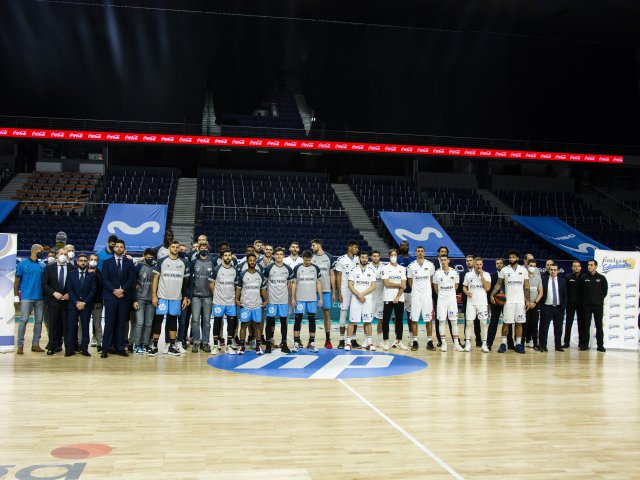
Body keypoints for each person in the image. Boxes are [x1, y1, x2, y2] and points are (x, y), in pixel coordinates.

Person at [150, 240, 190, 356]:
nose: (175, 249)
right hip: (162, 296)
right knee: (158, 320)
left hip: (176, 297)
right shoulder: (162, 261)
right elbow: (156, 278)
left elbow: (185, 282)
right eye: (173, 247)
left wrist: (185, 297)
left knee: (173, 321)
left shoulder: (183, 263)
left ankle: (172, 345)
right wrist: (154, 295)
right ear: (169, 249)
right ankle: (154, 345)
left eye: (177, 247)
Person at [100, 239, 136, 358]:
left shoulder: (129, 262)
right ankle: (105, 348)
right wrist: (114, 291)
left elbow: (132, 279)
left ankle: (120, 348)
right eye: (117, 246)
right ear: (114, 248)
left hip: (124, 297)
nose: (119, 248)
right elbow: (104, 279)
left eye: (121, 247)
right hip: (111, 296)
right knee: (109, 323)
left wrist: (122, 290)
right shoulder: (107, 262)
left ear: (124, 249)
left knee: (121, 324)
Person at [490, 249, 529, 354]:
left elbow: (526, 286)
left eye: (513, 257)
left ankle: (519, 344)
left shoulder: (523, 270)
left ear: (517, 258)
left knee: (519, 323)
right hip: (508, 301)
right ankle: (503, 344)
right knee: (506, 323)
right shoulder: (504, 270)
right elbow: (498, 284)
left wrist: (528, 300)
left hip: (520, 302)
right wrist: (492, 294)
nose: (511, 259)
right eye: (510, 257)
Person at [41, 248, 74, 355]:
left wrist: (70, 293)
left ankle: (68, 348)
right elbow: (45, 284)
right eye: (61, 253)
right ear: (56, 255)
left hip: (67, 302)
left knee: (67, 327)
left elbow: (75, 284)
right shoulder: (49, 268)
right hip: (53, 301)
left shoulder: (72, 268)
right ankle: (52, 346)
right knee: (53, 326)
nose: (63, 255)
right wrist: (54, 293)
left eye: (65, 254)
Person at [14, 243, 46, 354]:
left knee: (39, 322)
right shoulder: (22, 265)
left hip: (40, 298)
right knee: (23, 321)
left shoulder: (43, 265)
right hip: (26, 297)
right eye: (41, 251)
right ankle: (20, 345)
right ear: (35, 251)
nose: (43, 253)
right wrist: (16, 297)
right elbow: (17, 281)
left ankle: (35, 344)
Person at [291, 250, 323, 354]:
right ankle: (296, 343)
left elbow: (318, 283)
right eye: (306, 259)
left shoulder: (315, 268)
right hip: (300, 299)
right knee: (298, 320)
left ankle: (312, 343)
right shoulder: (297, 268)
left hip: (312, 299)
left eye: (309, 260)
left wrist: (321, 298)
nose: (308, 261)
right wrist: (292, 298)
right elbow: (294, 284)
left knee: (312, 320)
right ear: (303, 258)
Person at [235, 253, 267, 355]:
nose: (252, 262)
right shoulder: (242, 274)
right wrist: (236, 299)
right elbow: (239, 288)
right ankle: (242, 346)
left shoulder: (260, 275)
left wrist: (266, 299)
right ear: (247, 261)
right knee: (244, 325)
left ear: (255, 262)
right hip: (245, 304)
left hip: (257, 304)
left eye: (254, 260)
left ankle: (258, 346)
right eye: (250, 260)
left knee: (257, 325)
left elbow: (263, 290)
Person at [263, 247, 293, 353]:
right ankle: (268, 345)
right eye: (277, 254)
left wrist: (292, 297)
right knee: (270, 322)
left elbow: (290, 284)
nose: (279, 256)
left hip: (283, 300)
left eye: (281, 254)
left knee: (283, 322)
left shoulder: (288, 269)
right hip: (271, 300)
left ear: (284, 256)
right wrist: (266, 298)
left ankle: (284, 344)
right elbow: (264, 284)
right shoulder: (268, 268)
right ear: (274, 255)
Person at [66, 254, 96, 357]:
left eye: (84, 261)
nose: (82, 262)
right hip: (73, 305)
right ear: (77, 262)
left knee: (85, 327)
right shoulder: (71, 274)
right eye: (80, 261)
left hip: (86, 305)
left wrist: (84, 302)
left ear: (87, 262)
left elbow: (93, 291)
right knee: (71, 327)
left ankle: (84, 349)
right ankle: (69, 349)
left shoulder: (91, 275)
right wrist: (76, 302)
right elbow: (69, 290)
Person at [407, 246, 436, 351]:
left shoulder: (430, 265)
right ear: (415, 253)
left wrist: (427, 290)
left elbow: (432, 279)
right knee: (414, 319)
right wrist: (416, 289)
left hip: (427, 295)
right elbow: (410, 280)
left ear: (424, 252)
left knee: (428, 319)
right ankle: (415, 341)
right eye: (418, 251)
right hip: (415, 295)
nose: (420, 253)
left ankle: (429, 341)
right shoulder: (411, 266)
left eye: (422, 251)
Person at [346, 251, 377, 350]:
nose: (364, 259)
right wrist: (358, 294)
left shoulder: (371, 271)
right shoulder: (354, 270)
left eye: (366, 258)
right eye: (362, 257)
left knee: (368, 321)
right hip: (355, 299)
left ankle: (369, 343)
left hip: (367, 299)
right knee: (352, 321)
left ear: (368, 259)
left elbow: (373, 286)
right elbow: (350, 284)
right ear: (359, 258)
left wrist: (362, 294)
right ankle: (348, 343)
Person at [211, 249, 239, 355]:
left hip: (230, 302)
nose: (227, 257)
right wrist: (216, 294)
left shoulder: (234, 270)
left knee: (231, 325)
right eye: (225, 255)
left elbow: (236, 286)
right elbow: (211, 284)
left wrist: (235, 298)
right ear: (222, 257)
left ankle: (228, 346)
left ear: (231, 257)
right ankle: (215, 345)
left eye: (229, 255)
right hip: (218, 301)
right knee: (217, 323)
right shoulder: (216, 269)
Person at [333, 240, 359, 349]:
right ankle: (341, 340)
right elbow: (338, 277)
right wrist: (339, 292)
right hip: (345, 289)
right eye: (355, 247)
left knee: (355, 315)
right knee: (343, 315)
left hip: (356, 289)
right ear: (349, 247)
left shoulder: (358, 259)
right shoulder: (341, 260)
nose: (357, 249)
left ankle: (353, 339)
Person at [462, 256, 491, 352]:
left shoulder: (486, 274)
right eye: (477, 264)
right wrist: (466, 292)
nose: (479, 266)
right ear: (474, 265)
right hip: (471, 303)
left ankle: (484, 344)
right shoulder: (468, 275)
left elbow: (487, 288)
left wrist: (482, 276)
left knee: (483, 323)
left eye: (480, 264)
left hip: (482, 303)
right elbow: (464, 287)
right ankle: (467, 343)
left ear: (482, 264)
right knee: (469, 323)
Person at [433, 254, 462, 352]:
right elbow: (435, 287)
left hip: (452, 300)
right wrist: (442, 294)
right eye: (442, 260)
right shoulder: (437, 273)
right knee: (441, 321)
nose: (443, 261)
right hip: (441, 300)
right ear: (440, 261)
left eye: (445, 260)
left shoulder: (454, 272)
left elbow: (456, 285)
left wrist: (450, 293)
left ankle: (456, 344)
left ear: (448, 261)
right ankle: (444, 344)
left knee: (454, 321)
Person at [578, 260, 608, 352]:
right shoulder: (583, 278)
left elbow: (604, 291)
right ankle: (584, 345)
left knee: (599, 325)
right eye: (588, 265)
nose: (589, 266)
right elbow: (580, 290)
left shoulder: (602, 278)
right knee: (585, 325)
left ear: (596, 266)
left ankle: (600, 345)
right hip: (586, 305)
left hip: (598, 305)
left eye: (591, 265)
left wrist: (598, 299)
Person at [310, 238, 335, 349]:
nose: (312, 247)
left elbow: (332, 275)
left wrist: (334, 292)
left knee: (326, 315)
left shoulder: (329, 257)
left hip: (326, 290)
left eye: (313, 245)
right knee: (312, 316)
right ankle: (311, 341)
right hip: (313, 292)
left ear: (319, 245)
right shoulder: (311, 258)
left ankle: (328, 339)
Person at [189, 243, 214, 353]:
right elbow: (190, 280)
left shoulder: (212, 262)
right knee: (195, 320)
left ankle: (206, 342)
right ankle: (196, 342)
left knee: (207, 321)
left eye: (205, 248)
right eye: (201, 248)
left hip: (208, 296)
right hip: (196, 296)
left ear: (208, 249)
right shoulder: (194, 262)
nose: (203, 249)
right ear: (198, 250)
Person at [381, 248, 408, 350]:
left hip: (399, 298)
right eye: (391, 255)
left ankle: (399, 341)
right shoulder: (385, 268)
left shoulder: (402, 268)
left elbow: (404, 285)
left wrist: (397, 296)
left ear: (397, 256)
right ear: (389, 257)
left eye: (395, 255)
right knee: (386, 320)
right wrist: (399, 284)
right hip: (388, 297)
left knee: (399, 320)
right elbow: (386, 283)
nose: (393, 257)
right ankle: (385, 341)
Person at [537, 263, 568, 352]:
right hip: (547, 307)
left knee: (558, 328)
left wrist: (563, 307)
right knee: (544, 328)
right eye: (551, 270)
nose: (553, 271)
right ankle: (543, 345)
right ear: (549, 270)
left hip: (559, 308)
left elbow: (565, 295)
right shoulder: (543, 280)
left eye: (555, 270)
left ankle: (558, 346)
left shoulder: (562, 281)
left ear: (558, 271)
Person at [132, 249, 156, 355]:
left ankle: (145, 344)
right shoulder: (139, 266)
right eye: (148, 257)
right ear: (144, 256)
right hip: (140, 299)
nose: (150, 259)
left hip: (151, 299)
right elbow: (133, 282)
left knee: (149, 324)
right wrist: (134, 299)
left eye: (151, 257)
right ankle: (137, 344)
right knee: (140, 323)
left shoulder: (156, 267)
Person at [397, 240, 416, 345]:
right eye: (402, 245)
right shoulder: (397, 259)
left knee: (410, 315)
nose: (404, 246)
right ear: (400, 247)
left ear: (409, 247)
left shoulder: (413, 260)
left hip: (410, 291)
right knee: (398, 315)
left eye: (406, 245)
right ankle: (398, 337)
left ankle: (411, 337)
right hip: (399, 291)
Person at [563, 260, 584, 349]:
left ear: (580, 267)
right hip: (570, 304)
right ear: (572, 268)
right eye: (574, 266)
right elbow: (565, 291)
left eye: (578, 266)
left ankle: (582, 343)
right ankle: (566, 342)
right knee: (568, 323)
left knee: (581, 324)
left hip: (581, 304)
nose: (576, 267)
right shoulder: (567, 277)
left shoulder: (584, 278)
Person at [461, 254, 481, 347]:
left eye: (470, 260)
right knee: (467, 321)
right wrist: (466, 292)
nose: (468, 262)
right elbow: (461, 288)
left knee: (478, 321)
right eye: (467, 260)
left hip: (478, 300)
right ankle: (466, 340)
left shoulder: (480, 272)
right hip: (467, 301)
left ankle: (479, 339)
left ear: (474, 262)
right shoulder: (463, 273)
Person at [524, 258, 543, 349]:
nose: (533, 268)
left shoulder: (538, 277)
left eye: (534, 266)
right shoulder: (523, 277)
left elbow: (541, 292)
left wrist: (535, 302)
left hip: (535, 304)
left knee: (535, 325)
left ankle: (536, 344)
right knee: (524, 324)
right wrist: (527, 302)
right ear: (527, 265)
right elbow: (521, 291)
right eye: (531, 266)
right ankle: (521, 343)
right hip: (525, 304)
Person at [87, 253, 104, 351]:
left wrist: (94, 275)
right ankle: (82, 344)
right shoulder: (83, 271)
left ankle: (99, 344)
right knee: (82, 324)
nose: (93, 261)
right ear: (88, 260)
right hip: (85, 302)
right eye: (92, 259)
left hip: (97, 302)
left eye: (95, 260)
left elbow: (101, 287)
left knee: (97, 324)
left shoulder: (100, 273)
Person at [370, 251, 387, 347]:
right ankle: (367, 340)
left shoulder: (384, 267)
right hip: (370, 298)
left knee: (381, 320)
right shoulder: (368, 267)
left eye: (377, 256)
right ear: (371, 257)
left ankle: (380, 340)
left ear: (379, 257)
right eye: (374, 256)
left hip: (381, 298)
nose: (376, 258)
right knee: (368, 320)